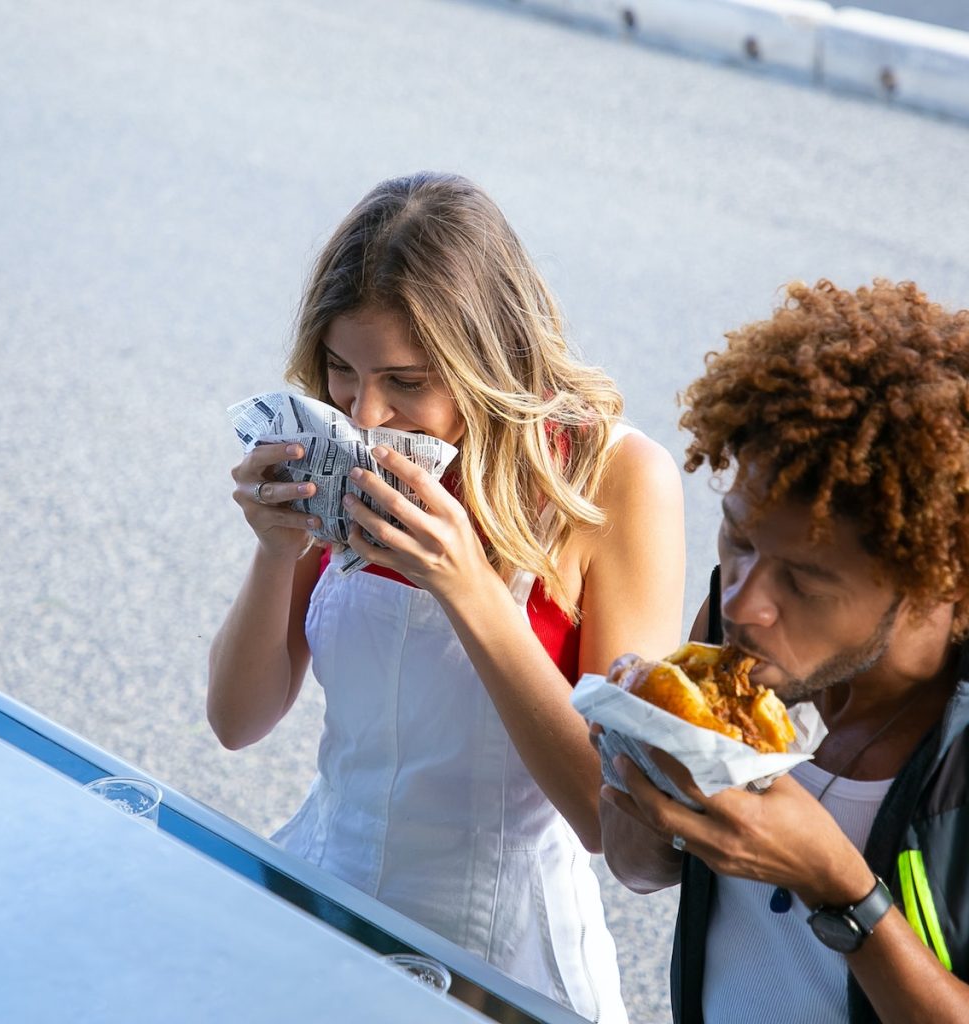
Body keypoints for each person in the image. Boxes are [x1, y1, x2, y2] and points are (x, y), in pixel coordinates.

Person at [207, 171, 686, 1019]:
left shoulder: (618, 479)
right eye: (342, 371)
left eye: (409, 382)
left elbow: (609, 825)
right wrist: (274, 555)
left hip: (504, 965)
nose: (368, 411)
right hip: (324, 905)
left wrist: (470, 588)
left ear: (490, 360)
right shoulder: (342, 445)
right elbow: (236, 722)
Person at [599, 279, 969, 1024]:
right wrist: (641, 797)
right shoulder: (738, 637)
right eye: (737, 538)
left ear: (936, 577)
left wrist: (841, 890)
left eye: (804, 578)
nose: (743, 601)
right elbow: (639, 868)